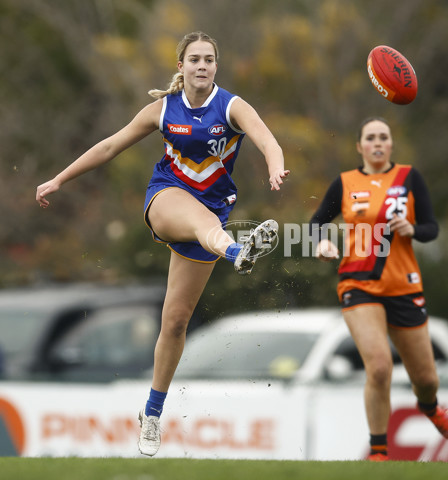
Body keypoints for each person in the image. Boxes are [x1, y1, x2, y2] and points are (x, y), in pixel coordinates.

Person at [35, 31, 290, 456]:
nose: (202, 66)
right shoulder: (162, 109)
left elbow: (267, 139)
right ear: (181, 66)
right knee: (201, 220)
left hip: (211, 215)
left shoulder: (231, 106)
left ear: (216, 66)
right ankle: (237, 252)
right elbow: (110, 145)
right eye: (195, 59)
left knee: (175, 322)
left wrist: (275, 167)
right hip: (166, 199)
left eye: (209, 59)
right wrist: (60, 178)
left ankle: (151, 414)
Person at [310, 117, 448, 462]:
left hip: (404, 286)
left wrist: (412, 228)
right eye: (370, 137)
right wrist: (320, 244)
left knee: (425, 378)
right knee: (378, 366)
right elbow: (318, 221)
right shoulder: (346, 183)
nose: (377, 143)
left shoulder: (409, 178)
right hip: (358, 283)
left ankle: (430, 406)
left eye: (384, 137)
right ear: (359, 146)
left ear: (391, 144)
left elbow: (432, 228)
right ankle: (378, 451)